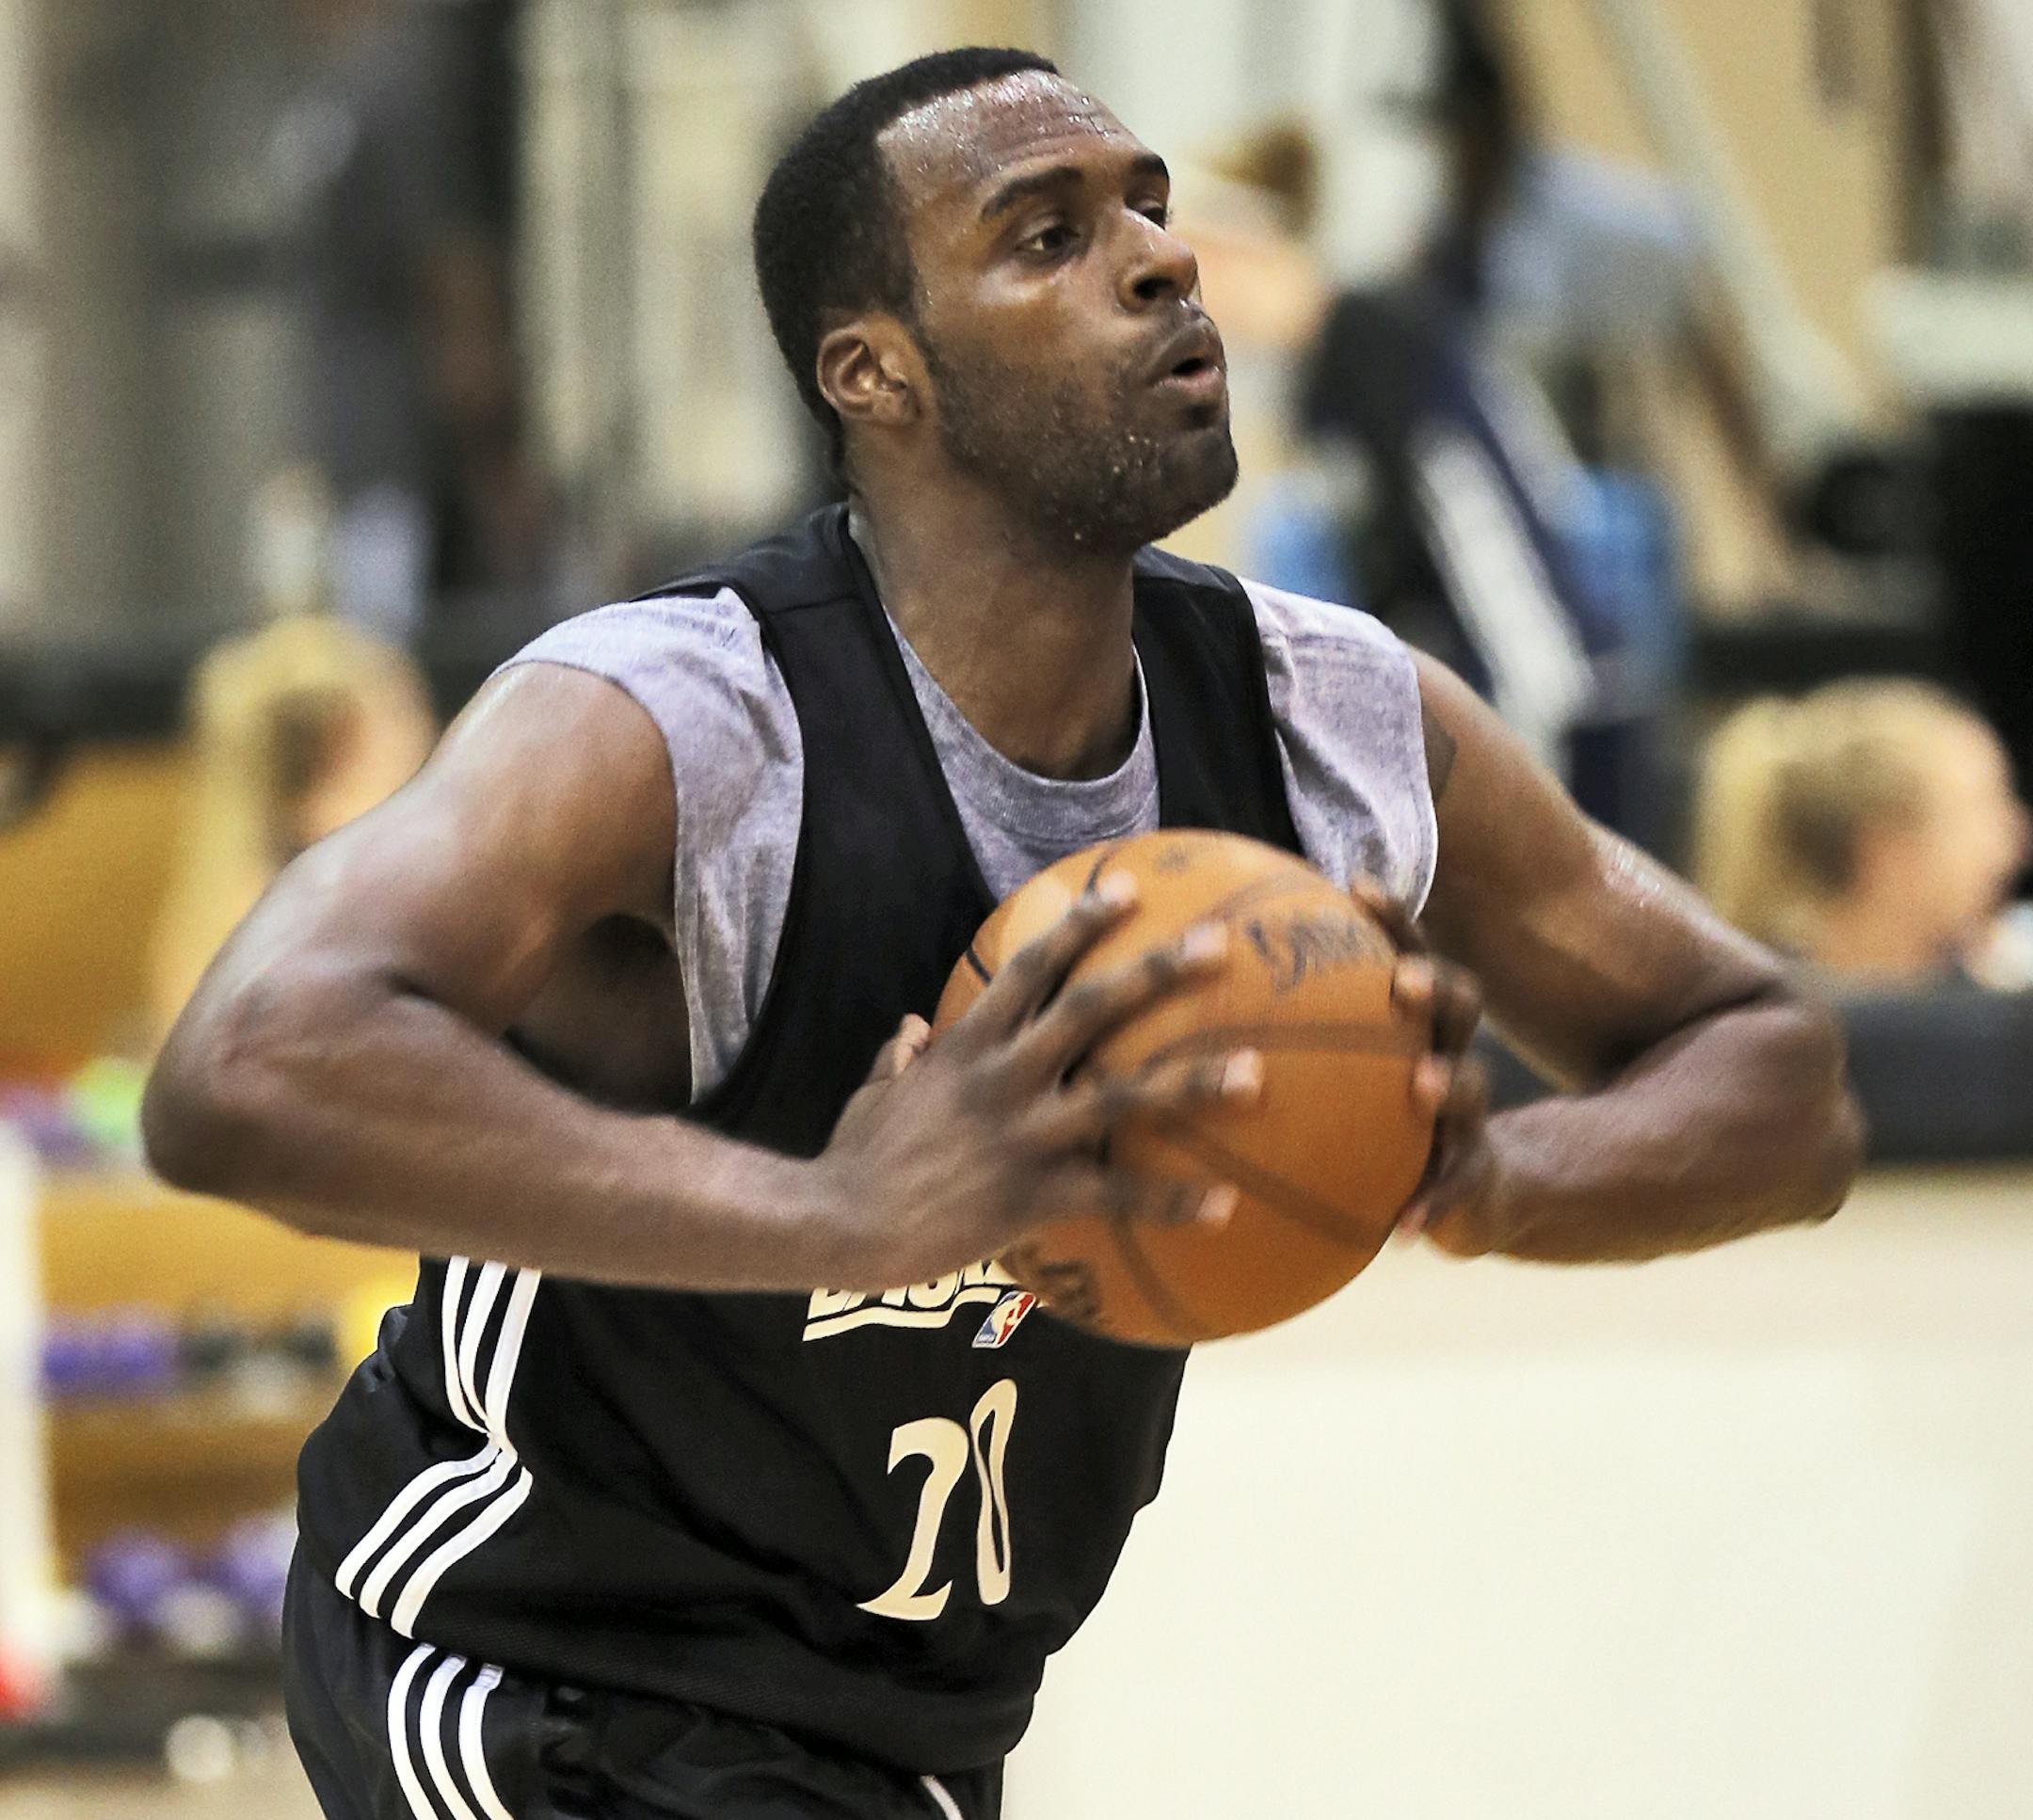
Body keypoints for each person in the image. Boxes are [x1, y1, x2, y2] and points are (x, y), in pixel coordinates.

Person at [144, 49, 1862, 1820]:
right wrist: (835, 1215)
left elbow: (1778, 1076)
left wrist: (1488, 1178)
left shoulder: (1327, 716)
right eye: (1046, 236)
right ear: (872, 370)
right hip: (533, 1671)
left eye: (1149, 208)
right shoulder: (681, 718)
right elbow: (245, 1065)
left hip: (912, 1734)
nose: (1158, 260)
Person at [1695, 679, 2033, 990]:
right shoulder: (1771, 1024)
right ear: (1886, 850)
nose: (2018, 841)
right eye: (1985, 808)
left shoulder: (2004, 977)